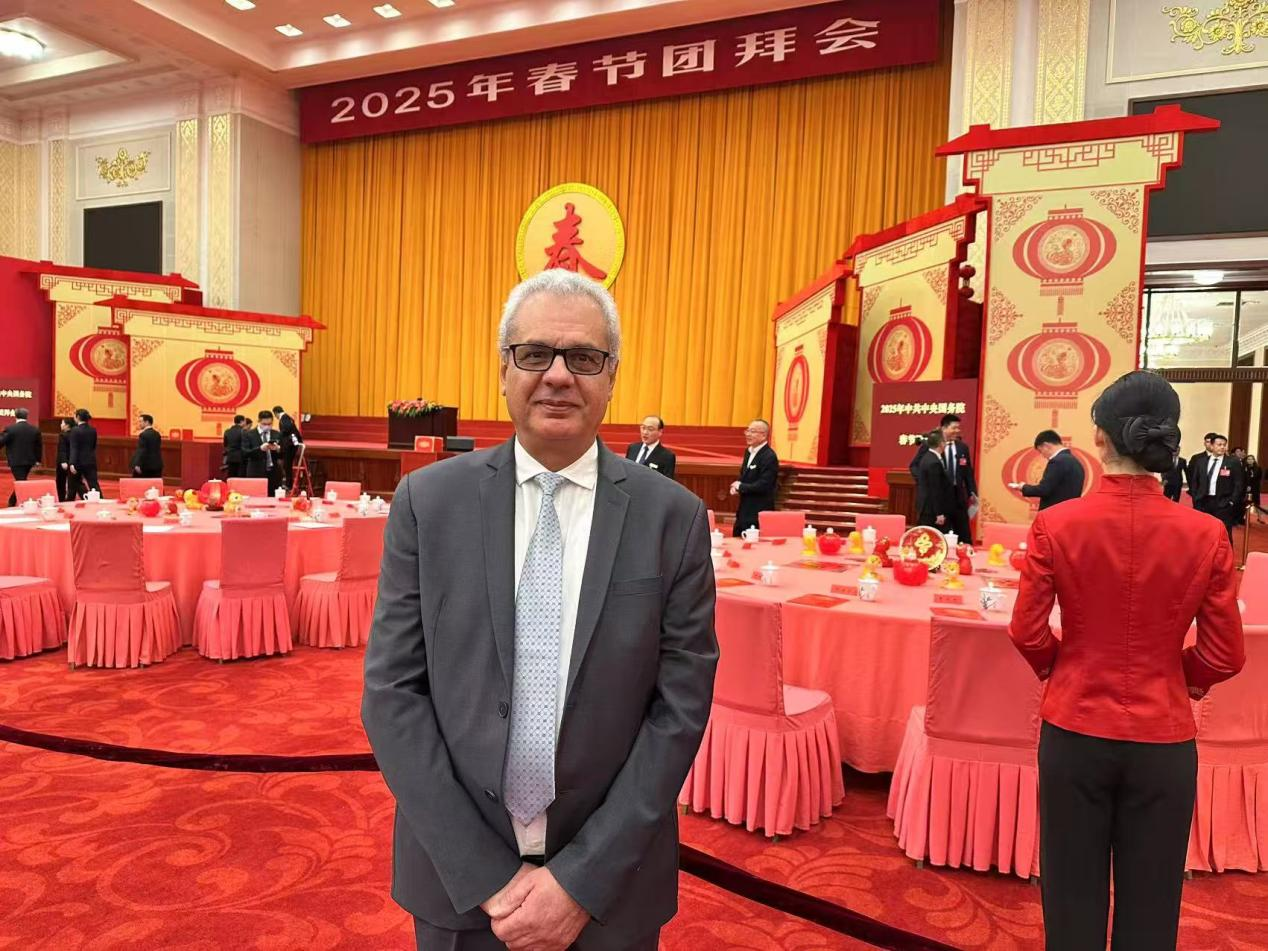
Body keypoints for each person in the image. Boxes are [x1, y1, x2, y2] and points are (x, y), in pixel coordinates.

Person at [362, 269, 718, 951]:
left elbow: (679, 709)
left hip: (611, 892)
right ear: (504, 370)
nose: (557, 375)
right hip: (458, 885)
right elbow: (392, 694)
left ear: (611, 376)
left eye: (583, 357)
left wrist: (580, 882)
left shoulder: (673, 518)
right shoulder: (428, 504)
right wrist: (487, 876)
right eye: (535, 354)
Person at [1009, 370, 1244, 951]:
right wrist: (1176, 678)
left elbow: (1027, 631)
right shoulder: (1208, 533)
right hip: (1164, 739)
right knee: (1153, 900)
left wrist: (1061, 666)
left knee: (1071, 895)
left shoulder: (1055, 523)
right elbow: (1224, 654)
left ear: (1100, 437)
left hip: (1074, 729)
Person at [909, 413, 975, 540]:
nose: (957, 431)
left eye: (958, 428)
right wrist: (926, 482)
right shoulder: (931, 445)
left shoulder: (962, 447)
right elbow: (914, 466)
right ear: (944, 428)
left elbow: (967, 472)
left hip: (957, 495)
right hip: (939, 497)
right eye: (954, 428)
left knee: (963, 533)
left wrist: (972, 492)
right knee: (940, 534)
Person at [1009, 430, 1085, 510]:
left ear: (1046, 445)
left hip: (1054, 513)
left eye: (1041, 451)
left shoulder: (1057, 461)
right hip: (1069, 512)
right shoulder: (1076, 462)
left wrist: (1023, 487)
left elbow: (1044, 489)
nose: (1043, 455)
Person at [1188, 433, 1243, 543]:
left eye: (1224, 445)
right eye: (1219, 445)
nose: (1222, 447)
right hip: (1203, 502)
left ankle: (1225, 553)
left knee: (1224, 533)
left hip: (1223, 503)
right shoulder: (1201, 462)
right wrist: (1196, 498)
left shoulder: (1233, 462)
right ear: (1212, 446)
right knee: (1203, 532)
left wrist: (1232, 501)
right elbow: (1195, 482)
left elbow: (1239, 484)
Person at [730, 419, 778, 536]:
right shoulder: (748, 452)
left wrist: (741, 487)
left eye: (753, 431)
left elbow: (764, 484)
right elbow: (744, 475)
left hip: (758, 511)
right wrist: (736, 486)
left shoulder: (769, 456)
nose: (748, 434)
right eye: (748, 431)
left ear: (763, 435)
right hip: (744, 510)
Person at [913, 429, 955, 530]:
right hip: (931, 511)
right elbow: (935, 489)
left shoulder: (927, 457)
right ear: (941, 443)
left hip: (927, 508)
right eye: (945, 441)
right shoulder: (934, 462)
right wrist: (939, 513)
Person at [0, 408, 43, 507]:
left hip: (15, 460)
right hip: (29, 460)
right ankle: (14, 501)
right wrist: (38, 460)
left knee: (21, 481)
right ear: (26, 416)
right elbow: (38, 446)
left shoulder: (10, 429)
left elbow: (1, 441)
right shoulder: (34, 429)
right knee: (21, 480)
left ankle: (16, 502)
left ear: (15, 416)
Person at [242, 410, 282, 494]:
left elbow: (283, 454)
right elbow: (245, 453)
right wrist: (260, 449)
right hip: (255, 472)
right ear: (259, 421)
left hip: (273, 473)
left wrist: (278, 449)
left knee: (273, 498)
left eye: (269, 424)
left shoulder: (276, 434)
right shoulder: (249, 434)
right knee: (255, 497)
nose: (267, 426)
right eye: (264, 424)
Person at [624, 415, 676, 480]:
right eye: (643, 428)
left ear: (660, 432)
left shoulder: (667, 456)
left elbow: (668, 482)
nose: (645, 432)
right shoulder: (633, 448)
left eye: (650, 429)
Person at [67, 408, 99, 498]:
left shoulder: (75, 430)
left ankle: (83, 498)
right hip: (90, 460)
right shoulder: (93, 430)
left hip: (78, 462)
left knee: (74, 483)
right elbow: (93, 446)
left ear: (78, 417)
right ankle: (100, 500)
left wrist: (72, 462)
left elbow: (74, 448)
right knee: (93, 484)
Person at [273, 404, 303, 489]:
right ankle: (288, 483)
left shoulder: (284, 418)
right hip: (291, 444)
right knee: (287, 465)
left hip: (290, 445)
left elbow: (286, 429)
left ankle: (288, 484)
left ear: (276, 413)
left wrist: (278, 438)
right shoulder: (287, 417)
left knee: (287, 465)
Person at [130, 413, 163, 478]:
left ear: (147, 422)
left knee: (137, 483)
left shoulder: (143, 435)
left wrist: (137, 464)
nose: (139, 424)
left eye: (140, 421)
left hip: (145, 466)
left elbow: (141, 450)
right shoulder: (157, 434)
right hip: (157, 465)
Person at [55, 418, 73, 502]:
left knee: (61, 481)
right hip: (73, 460)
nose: (61, 425)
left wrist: (63, 461)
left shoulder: (63, 435)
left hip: (64, 461)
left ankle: (61, 498)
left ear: (67, 425)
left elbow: (62, 449)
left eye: (62, 423)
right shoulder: (75, 434)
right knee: (73, 481)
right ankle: (70, 498)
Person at [1246, 453, 1264, 522]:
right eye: (1248, 459)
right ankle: (1245, 518)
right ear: (1246, 460)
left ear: (1254, 460)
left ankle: (1259, 518)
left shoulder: (1258, 468)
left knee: (1257, 503)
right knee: (1246, 503)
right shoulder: (1245, 468)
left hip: (1255, 488)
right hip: (1246, 488)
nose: (1250, 460)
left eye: (1251, 459)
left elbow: (1259, 478)